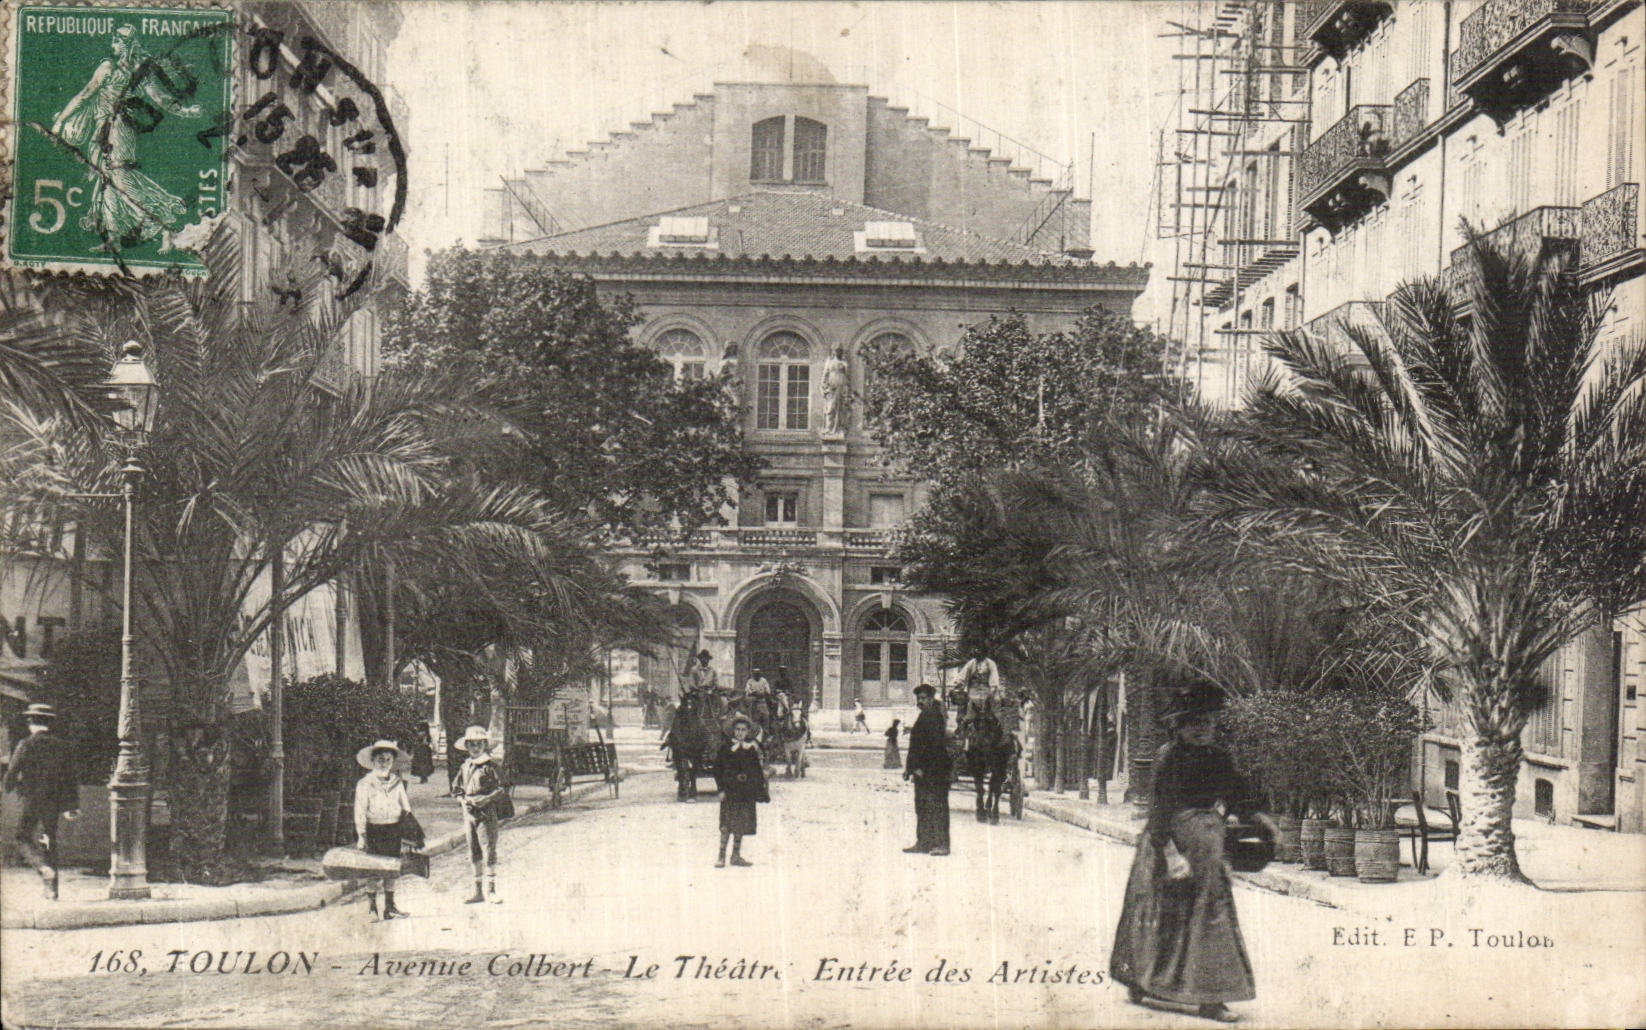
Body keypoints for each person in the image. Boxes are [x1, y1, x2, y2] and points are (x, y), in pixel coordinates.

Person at [1110, 681, 1279, 1024]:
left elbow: (1239, 799)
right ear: (1179, 726)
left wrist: (1266, 824)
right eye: (1193, 723)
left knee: (1210, 918)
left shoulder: (1219, 758)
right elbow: (1159, 812)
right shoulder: (1168, 758)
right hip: (1167, 845)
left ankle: (1210, 999)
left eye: (1207, 722)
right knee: (1159, 915)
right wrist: (1171, 856)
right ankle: (1142, 981)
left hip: (1206, 848)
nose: (1201, 729)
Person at [50, 25, 204, 251]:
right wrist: (61, 121)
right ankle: (113, 238)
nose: (112, 45)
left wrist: (184, 111)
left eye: (115, 41)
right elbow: (85, 95)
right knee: (108, 179)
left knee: (119, 174)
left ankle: (154, 219)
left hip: (121, 128)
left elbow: (159, 98)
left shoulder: (137, 71)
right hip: (103, 129)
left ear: (126, 45)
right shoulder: (110, 68)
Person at [3, 704, 79, 899]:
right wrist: (72, 806)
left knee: (21, 837)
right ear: (49, 723)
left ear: (30, 722)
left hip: (30, 801)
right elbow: (70, 777)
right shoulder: (62, 746)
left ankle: (41, 867)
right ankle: (52, 891)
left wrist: (9, 785)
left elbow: (11, 774)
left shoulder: (26, 744)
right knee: (48, 841)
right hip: (52, 803)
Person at [353, 739, 413, 920]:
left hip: (393, 829)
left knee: (392, 868)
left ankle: (390, 906)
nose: (384, 763)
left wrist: (407, 833)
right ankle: (372, 907)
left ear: (392, 762)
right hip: (374, 829)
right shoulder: (365, 783)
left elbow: (406, 807)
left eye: (388, 760)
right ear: (373, 761)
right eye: (380, 759)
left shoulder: (396, 782)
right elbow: (360, 809)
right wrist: (361, 835)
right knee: (373, 868)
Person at [453, 725, 506, 904]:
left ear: (485, 745)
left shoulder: (491, 766)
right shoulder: (465, 766)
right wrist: (463, 801)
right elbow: (457, 789)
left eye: (479, 744)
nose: (475, 748)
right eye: (472, 745)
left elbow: (502, 788)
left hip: (486, 811)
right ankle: (477, 891)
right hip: (469, 813)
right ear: (467, 747)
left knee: (489, 849)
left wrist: (486, 799)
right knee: (473, 850)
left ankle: (491, 890)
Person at [712, 713, 768, 868]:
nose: (740, 732)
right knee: (727, 824)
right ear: (733, 731)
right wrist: (721, 789)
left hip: (745, 792)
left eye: (743, 730)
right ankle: (721, 856)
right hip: (730, 791)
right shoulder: (726, 749)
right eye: (737, 729)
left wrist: (759, 791)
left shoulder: (751, 750)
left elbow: (756, 771)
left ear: (748, 732)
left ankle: (735, 856)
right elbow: (717, 770)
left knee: (741, 823)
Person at [902, 685, 950, 856]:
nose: (920, 702)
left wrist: (921, 768)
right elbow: (915, 744)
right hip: (923, 771)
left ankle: (941, 844)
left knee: (937, 807)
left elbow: (933, 747)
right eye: (918, 699)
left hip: (934, 771)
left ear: (931, 699)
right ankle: (924, 842)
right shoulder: (925, 715)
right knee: (922, 807)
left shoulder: (935, 717)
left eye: (923, 698)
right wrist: (911, 768)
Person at [821, 346, 849, 433]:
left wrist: (845, 365)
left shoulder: (843, 362)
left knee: (841, 408)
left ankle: (839, 429)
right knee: (830, 408)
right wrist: (823, 386)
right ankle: (829, 428)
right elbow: (825, 374)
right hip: (831, 386)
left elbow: (848, 375)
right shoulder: (829, 362)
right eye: (836, 351)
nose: (837, 353)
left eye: (839, 351)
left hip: (841, 385)